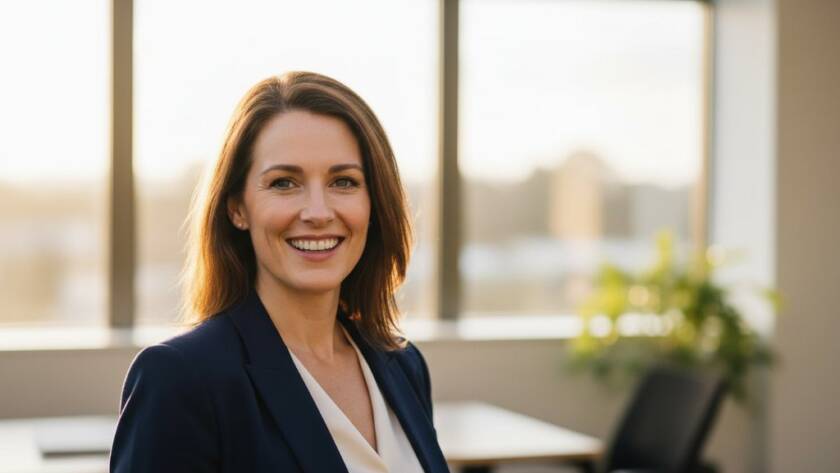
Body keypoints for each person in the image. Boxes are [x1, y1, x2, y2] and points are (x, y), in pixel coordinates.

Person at [110, 72, 449, 473]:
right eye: (284, 183)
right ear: (237, 207)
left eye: (344, 181)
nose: (319, 213)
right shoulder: (180, 380)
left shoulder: (404, 365)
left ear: (373, 203)